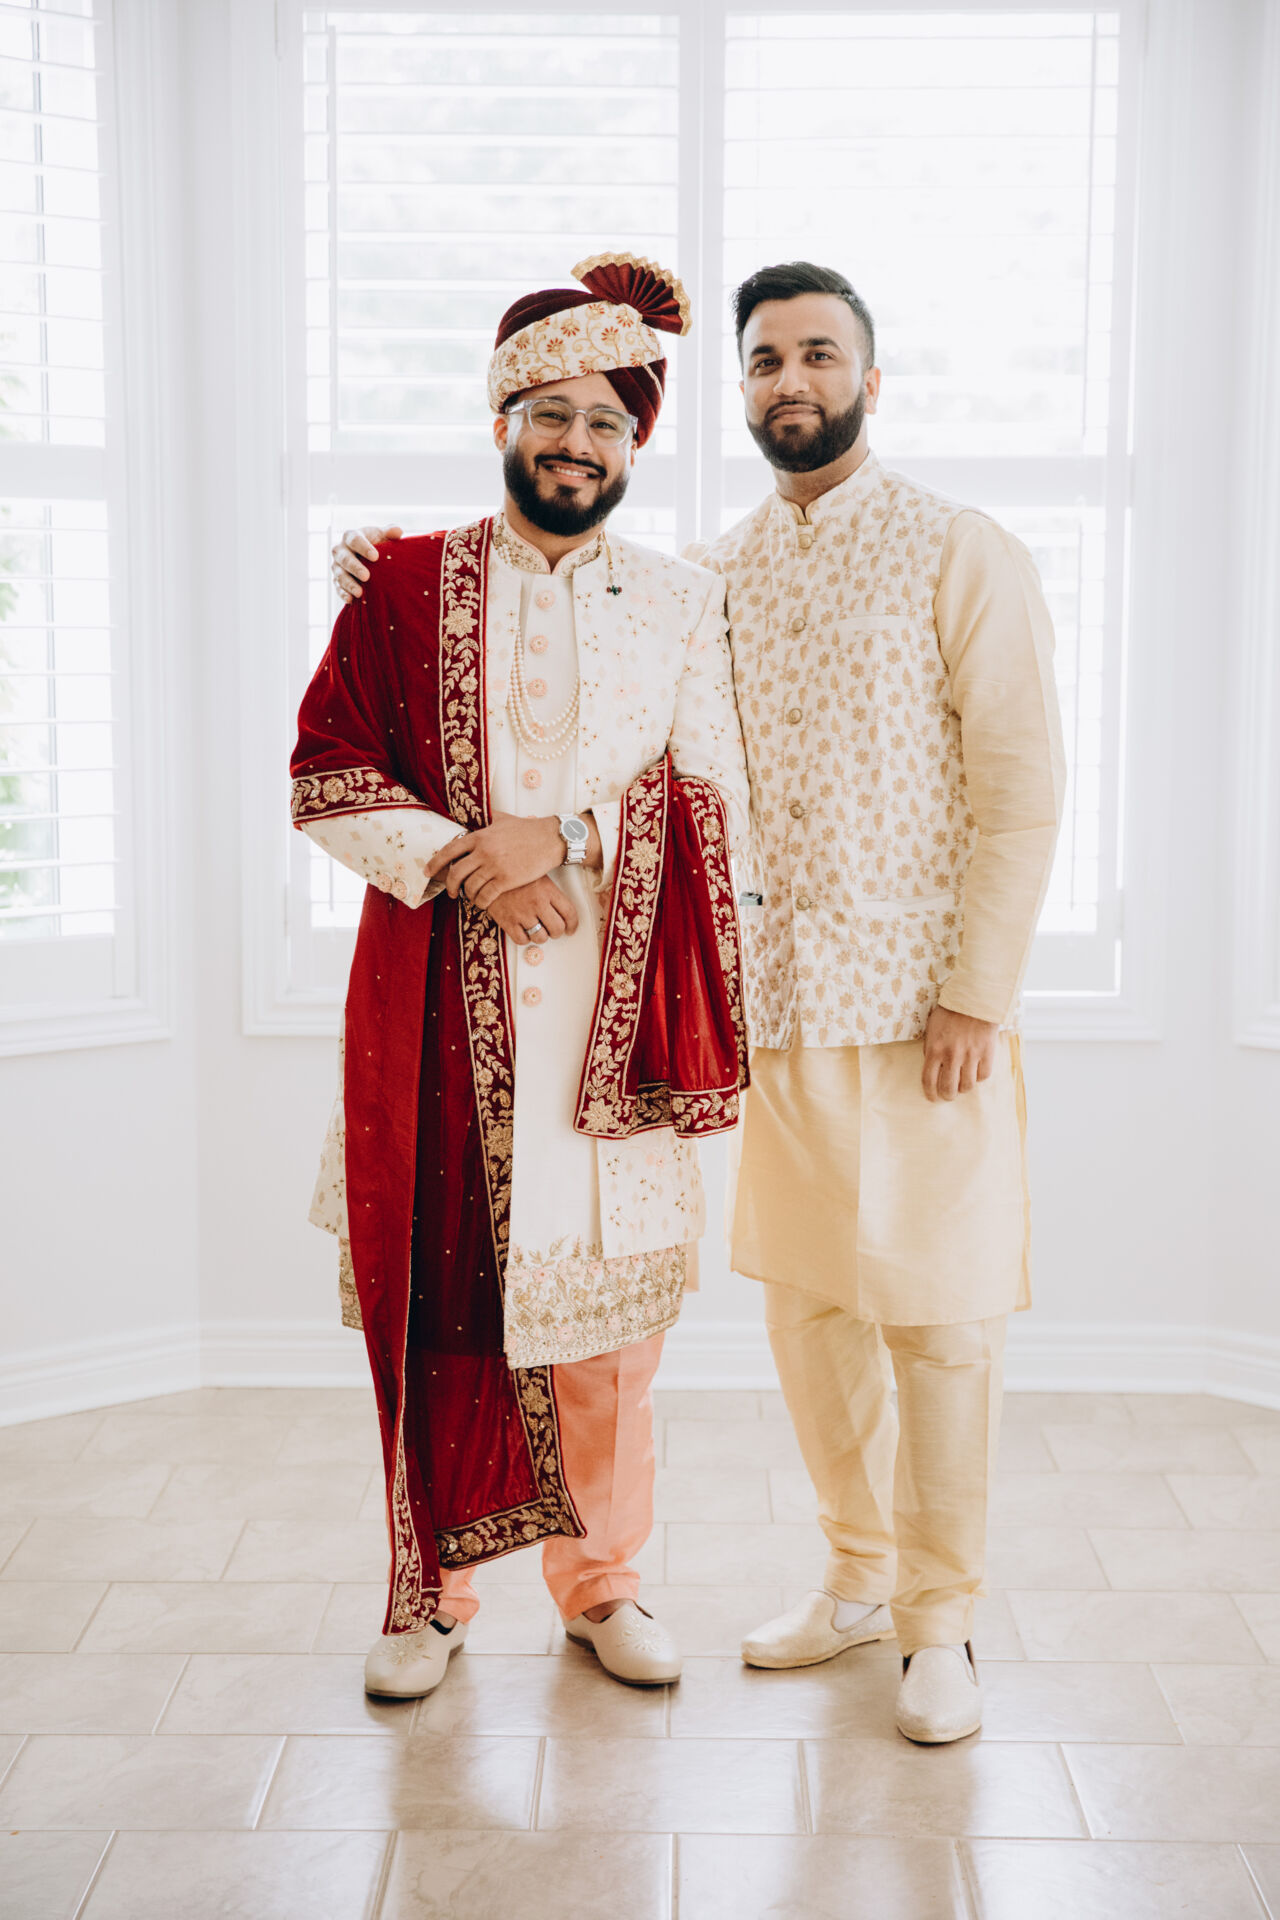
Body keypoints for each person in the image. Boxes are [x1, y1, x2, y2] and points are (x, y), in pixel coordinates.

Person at [330, 259, 1065, 1745]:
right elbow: (485, 701)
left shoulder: (957, 550)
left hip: (920, 1015)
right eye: (767, 360)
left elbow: (1020, 788)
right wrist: (371, 569)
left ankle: (938, 1622)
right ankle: (853, 1581)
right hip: (764, 1018)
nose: (793, 381)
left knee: (939, 1323)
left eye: (819, 355)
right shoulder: (718, 574)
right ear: (738, 390)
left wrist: (979, 993)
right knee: (810, 1319)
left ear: (870, 377)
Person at [292, 253, 750, 1702]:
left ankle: (604, 1584)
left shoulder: (682, 600)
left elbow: (715, 794)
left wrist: (561, 835)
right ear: (503, 422)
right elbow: (324, 771)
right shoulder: (404, 579)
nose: (576, 442)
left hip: (614, 1019)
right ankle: (430, 1595)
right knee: (447, 1310)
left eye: (606, 421)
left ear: (635, 446)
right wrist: (462, 858)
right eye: (550, 412)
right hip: (442, 1003)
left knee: (610, 1336)